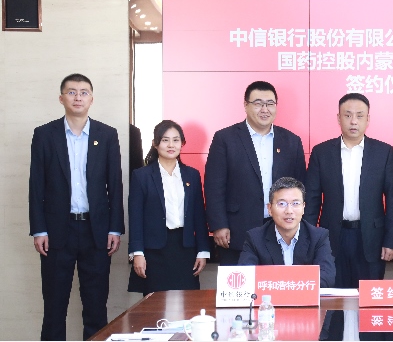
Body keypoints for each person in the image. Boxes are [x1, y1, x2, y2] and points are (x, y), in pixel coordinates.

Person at [29, 73, 124, 340]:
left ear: (92, 99)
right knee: (54, 307)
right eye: (71, 92)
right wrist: (39, 230)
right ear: (61, 98)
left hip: (96, 231)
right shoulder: (45, 135)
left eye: (84, 92)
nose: (78, 97)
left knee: (96, 307)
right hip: (57, 231)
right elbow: (36, 185)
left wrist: (115, 229)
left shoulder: (107, 135)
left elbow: (115, 185)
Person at [304, 93, 393, 288]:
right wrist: (309, 240)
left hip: (371, 239)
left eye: (359, 115)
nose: (353, 121)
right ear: (338, 118)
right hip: (331, 237)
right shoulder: (321, 152)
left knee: (369, 297)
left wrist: (391, 241)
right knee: (333, 297)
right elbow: (312, 200)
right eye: (347, 115)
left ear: (368, 119)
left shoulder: (383, 152)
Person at [205, 81, 306, 265]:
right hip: (237, 230)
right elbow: (214, 186)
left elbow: (300, 187)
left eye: (270, 104)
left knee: (276, 281)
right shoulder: (225, 139)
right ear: (246, 105)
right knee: (240, 280)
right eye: (258, 103)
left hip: (280, 229)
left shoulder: (292, 141)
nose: (264, 109)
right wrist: (219, 225)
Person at [127, 120, 210, 294]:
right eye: (165, 140)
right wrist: (137, 253)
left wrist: (203, 250)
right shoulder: (141, 176)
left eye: (176, 140)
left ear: (182, 143)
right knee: (155, 304)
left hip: (185, 250)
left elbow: (198, 214)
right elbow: (135, 217)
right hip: (154, 252)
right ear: (155, 143)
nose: (171, 145)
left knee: (187, 302)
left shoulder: (192, 175)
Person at [239, 177, 336, 288]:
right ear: (269, 209)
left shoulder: (318, 237)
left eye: (295, 203)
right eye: (282, 204)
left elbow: (327, 277)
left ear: (303, 207)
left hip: (302, 298)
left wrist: (285, 286)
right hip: (271, 298)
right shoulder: (255, 238)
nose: (289, 211)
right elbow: (245, 277)